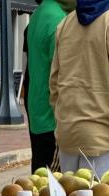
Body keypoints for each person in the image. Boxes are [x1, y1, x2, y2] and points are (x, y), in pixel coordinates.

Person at [49, 0, 109, 176]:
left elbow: (54, 84)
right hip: (103, 141)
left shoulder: (66, 24)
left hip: (68, 134)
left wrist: (62, 123)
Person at [26, 0, 70, 173]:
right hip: (52, 114)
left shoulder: (38, 14)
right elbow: (62, 72)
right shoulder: (59, 19)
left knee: (39, 174)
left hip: (37, 108)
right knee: (53, 183)